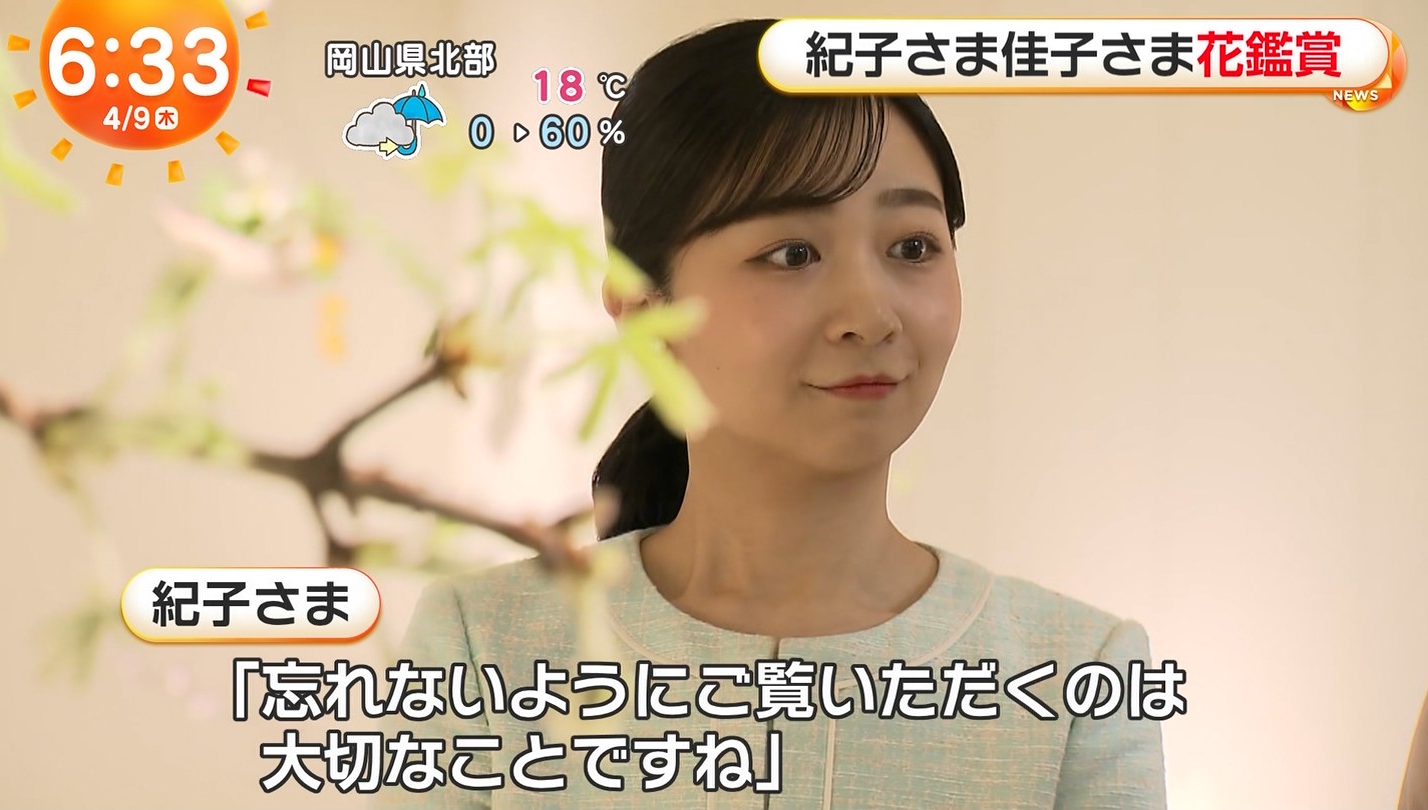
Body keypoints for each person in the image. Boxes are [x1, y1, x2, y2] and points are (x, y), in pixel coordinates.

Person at [379, 18, 1167, 808]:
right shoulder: (484, 647)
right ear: (644, 308)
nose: (871, 316)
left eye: (912, 247)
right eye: (793, 254)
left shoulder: (1076, 677)